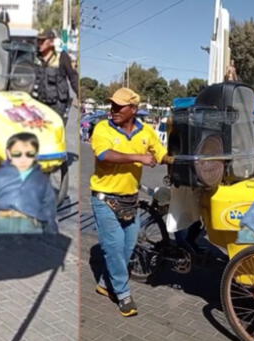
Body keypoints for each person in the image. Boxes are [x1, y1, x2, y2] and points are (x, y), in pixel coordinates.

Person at [90, 87, 171, 317]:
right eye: (112, 105)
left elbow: (161, 152)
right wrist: (138, 157)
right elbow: (103, 155)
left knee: (127, 248)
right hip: (104, 199)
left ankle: (105, 284)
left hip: (130, 201)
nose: (113, 110)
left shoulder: (146, 132)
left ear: (133, 109)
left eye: (119, 106)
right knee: (114, 248)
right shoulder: (103, 128)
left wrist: (173, 159)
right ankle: (123, 294)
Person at [32, 30, 79, 127]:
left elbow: (73, 77)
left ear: (51, 42)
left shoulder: (61, 57)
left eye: (43, 41)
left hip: (57, 105)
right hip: (39, 104)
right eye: (38, 41)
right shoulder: (34, 57)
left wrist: (80, 94)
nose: (39, 44)